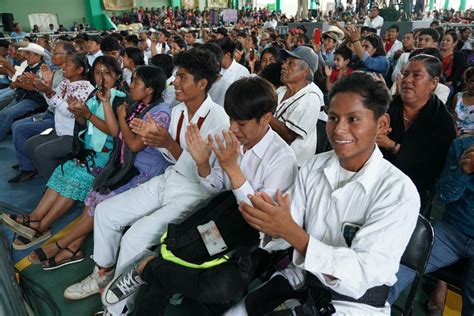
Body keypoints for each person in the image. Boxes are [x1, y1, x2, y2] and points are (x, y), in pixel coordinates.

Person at [225, 71, 419, 315]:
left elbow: (360, 273)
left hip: (354, 302)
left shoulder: (397, 191)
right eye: (333, 118)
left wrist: (290, 231)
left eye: (353, 119)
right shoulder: (313, 167)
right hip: (304, 278)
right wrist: (272, 223)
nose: (339, 130)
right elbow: (286, 230)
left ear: (381, 125)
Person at [100, 76, 298, 316]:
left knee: (221, 290)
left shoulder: (282, 159)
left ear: (266, 118)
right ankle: (130, 304)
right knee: (178, 251)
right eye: (232, 119)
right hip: (222, 216)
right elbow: (215, 186)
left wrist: (233, 170)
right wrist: (203, 162)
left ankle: (149, 268)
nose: (233, 128)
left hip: (253, 239)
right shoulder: (228, 133)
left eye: (241, 123)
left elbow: (261, 219)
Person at [63, 49, 229, 314]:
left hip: (195, 193)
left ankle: (118, 309)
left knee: (134, 239)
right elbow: (170, 155)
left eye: (182, 77)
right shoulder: (178, 112)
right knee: (106, 212)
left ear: (202, 84)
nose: (175, 82)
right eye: (176, 76)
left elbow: (214, 182)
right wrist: (156, 140)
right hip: (170, 179)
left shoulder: (219, 121)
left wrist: (167, 143)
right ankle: (103, 273)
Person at [27, 66, 171, 271]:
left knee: (101, 201)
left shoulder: (158, 112)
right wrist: (103, 104)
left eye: (136, 82)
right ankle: (74, 247)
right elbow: (113, 132)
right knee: (95, 192)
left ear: (149, 89)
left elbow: (134, 145)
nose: (132, 85)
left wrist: (121, 117)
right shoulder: (136, 106)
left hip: (143, 171)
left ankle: (62, 244)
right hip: (124, 163)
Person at [2, 56, 127, 250]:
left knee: (75, 178)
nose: (101, 77)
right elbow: (85, 125)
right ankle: (34, 217)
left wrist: (88, 114)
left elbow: (114, 132)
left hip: (106, 158)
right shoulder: (94, 94)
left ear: (117, 75)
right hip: (89, 152)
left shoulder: (119, 99)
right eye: (97, 72)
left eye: (107, 73)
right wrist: (79, 113)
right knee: (63, 171)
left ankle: (42, 227)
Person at [388, 135, 474, 316]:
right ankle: (372, 308)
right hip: (452, 230)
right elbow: (444, 195)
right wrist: (463, 172)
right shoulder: (463, 145)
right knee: (393, 267)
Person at [376, 54, 457, 210]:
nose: (407, 80)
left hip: (413, 193)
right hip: (375, 184)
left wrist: (393, 146)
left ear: (433, 83)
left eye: (417, 75)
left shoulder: (442, 121)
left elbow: (435, 166)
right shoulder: (385, 107)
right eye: (405, 74)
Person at [9, 49, 92, 184]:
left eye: (67, 64)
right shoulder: (65, 83)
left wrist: (49, 91)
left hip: (73, 135)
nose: (62, 67)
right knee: (30, 145)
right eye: (63, 63)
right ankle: (51, 177)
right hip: (59, 130)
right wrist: (47, 89)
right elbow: (53, 103)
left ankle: (57, 186)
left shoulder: (84, 87)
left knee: (42, 152)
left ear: (79, 70)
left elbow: (71, 112)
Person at [272, 46, 324, 166]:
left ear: (305, 72)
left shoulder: (311, 97)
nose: (283, 66)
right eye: (285, 62)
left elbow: (289, 135)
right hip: (274, 158)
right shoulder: (281, 90)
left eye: (291, 63)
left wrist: (264, 114)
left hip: (293, 165)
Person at [0, 43, 49, 142]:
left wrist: (18, 83)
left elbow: (34, 87)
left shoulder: (43, 69)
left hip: (35, 100)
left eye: (29, 54)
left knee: (7, 114)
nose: (26, 56)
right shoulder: (29, 66)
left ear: (38, 56)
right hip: (23, 96)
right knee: (3, 112)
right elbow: (21, 80)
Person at [451, 67, 474, 135]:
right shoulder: (458, 97)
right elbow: (452, 118)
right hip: (455, 135)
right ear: (466, 81)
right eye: (472, 81)